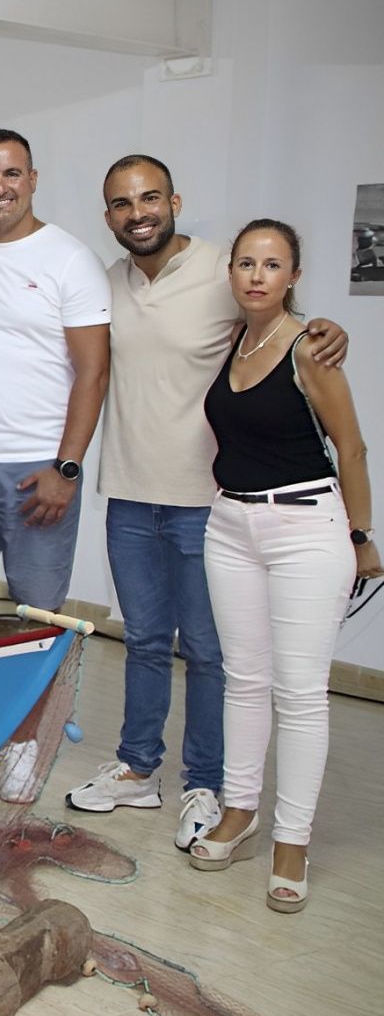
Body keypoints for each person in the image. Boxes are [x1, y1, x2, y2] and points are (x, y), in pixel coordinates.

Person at [65, 156, 347, 849]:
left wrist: (327, 329)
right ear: (109, 217)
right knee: (143, 643)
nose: (139, 213)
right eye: (123, 204)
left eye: (150, 197)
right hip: (128, 493)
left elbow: (282, 325)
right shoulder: (107, 284)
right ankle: (138, 770)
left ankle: (208, 783)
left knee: (213, 654)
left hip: (209, 501)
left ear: (174, 200)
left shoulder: (226, 269)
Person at [189, 219, 378, 914]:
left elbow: (351, 449)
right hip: (231, 522)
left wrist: (361, 537)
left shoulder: (311, 349)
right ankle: (240, 812)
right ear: (232, 273)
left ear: (294, 275)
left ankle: (292, 841)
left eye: (273, 264)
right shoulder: (235, 339)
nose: (257, 274)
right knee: (245, 679)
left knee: (299, 693)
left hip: (306, 526)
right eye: (246, 262)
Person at [0, 130, 109, 619]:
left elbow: (93, 373)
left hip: (37, 468)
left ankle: (36, 701)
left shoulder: (71, 260)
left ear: (32, 180)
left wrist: (66, 468)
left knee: (37, 618)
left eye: (11, 173)